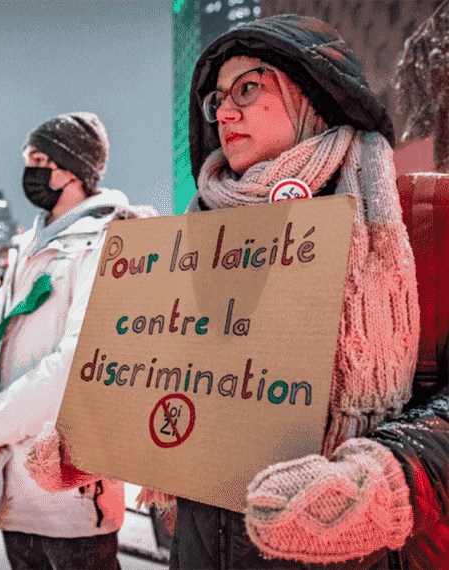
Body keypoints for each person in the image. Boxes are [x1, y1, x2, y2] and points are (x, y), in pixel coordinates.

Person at [154, 14, 449, 569]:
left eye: (249, 87)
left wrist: (393, 475)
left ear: (313, 95)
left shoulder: (424, 219)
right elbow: (167, 389)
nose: (223, 111)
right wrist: (97, 432)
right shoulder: (194, 238)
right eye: (216, 98)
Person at [0, 112, 155, 570]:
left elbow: (78, 361)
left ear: (74, 170)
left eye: (40, 159)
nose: (30, 170)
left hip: (72, 488)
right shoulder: (24, 245)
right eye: (28, 158)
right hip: (8, 480)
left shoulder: (108, 241)